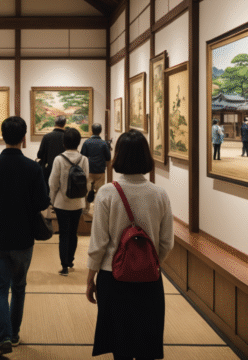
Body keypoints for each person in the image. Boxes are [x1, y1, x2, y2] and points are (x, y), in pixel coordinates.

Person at [86, 129, 174, 360]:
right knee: (146, 344)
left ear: (119, 156)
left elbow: (98, 243)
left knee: (120, 346)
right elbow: (167, 242)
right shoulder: (159, 194)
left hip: (112, 278)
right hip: (149, 279)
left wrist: (90, 278)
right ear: (146, 156)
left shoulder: (106, 193)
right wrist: (148, 262)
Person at [0, 117, 49, 358]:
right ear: (24, 137)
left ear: (2, 136)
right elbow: (42, 202)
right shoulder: (32, 168)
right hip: (23, 239)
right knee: (19, 287)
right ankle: (15, 335)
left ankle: (4, 337)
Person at [50, 127, 90, 276]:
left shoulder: (59, 159)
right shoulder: (84, 159)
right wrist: (84, 201)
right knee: (73, 233)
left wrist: (52, 200)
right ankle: (71, 260)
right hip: (77, 203)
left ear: (64, 142)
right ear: (78, 142)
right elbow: (86, 181)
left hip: (62, 203)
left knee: (64, 234)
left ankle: (64, 266)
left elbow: (53, 183)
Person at [80, 123, 112, 218]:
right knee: (99, 192)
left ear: (91, 130)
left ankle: (86, 211)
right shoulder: (104, 143)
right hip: (100, 171)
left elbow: (82, 156)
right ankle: (97, 212)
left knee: (87, 191)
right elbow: (108, 157)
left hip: (89, 171)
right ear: (100, 131)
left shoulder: (87, 142)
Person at [37, 116, 67, 185]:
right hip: (64, 169)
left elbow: (39, 155)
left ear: (55, 123)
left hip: (48, 170)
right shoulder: (67, 137)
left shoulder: (47, 136)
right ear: (64, 123)